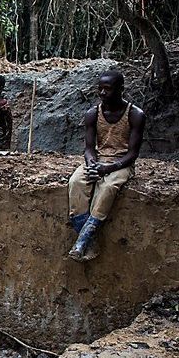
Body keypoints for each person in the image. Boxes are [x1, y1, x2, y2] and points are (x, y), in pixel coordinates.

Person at [67, 70, 145, 261]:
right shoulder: (93, 113)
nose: (102, 93)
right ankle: (89, 241)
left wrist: (108, 168)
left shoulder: (135, 115)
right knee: (76, 181)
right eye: (100, 89)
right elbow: (88, 148)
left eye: (107, 89)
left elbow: (132, 155)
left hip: (120, 163)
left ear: (121, 89)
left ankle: (82, 242)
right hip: (99, 159)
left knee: (108, 187)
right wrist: (92, 164)